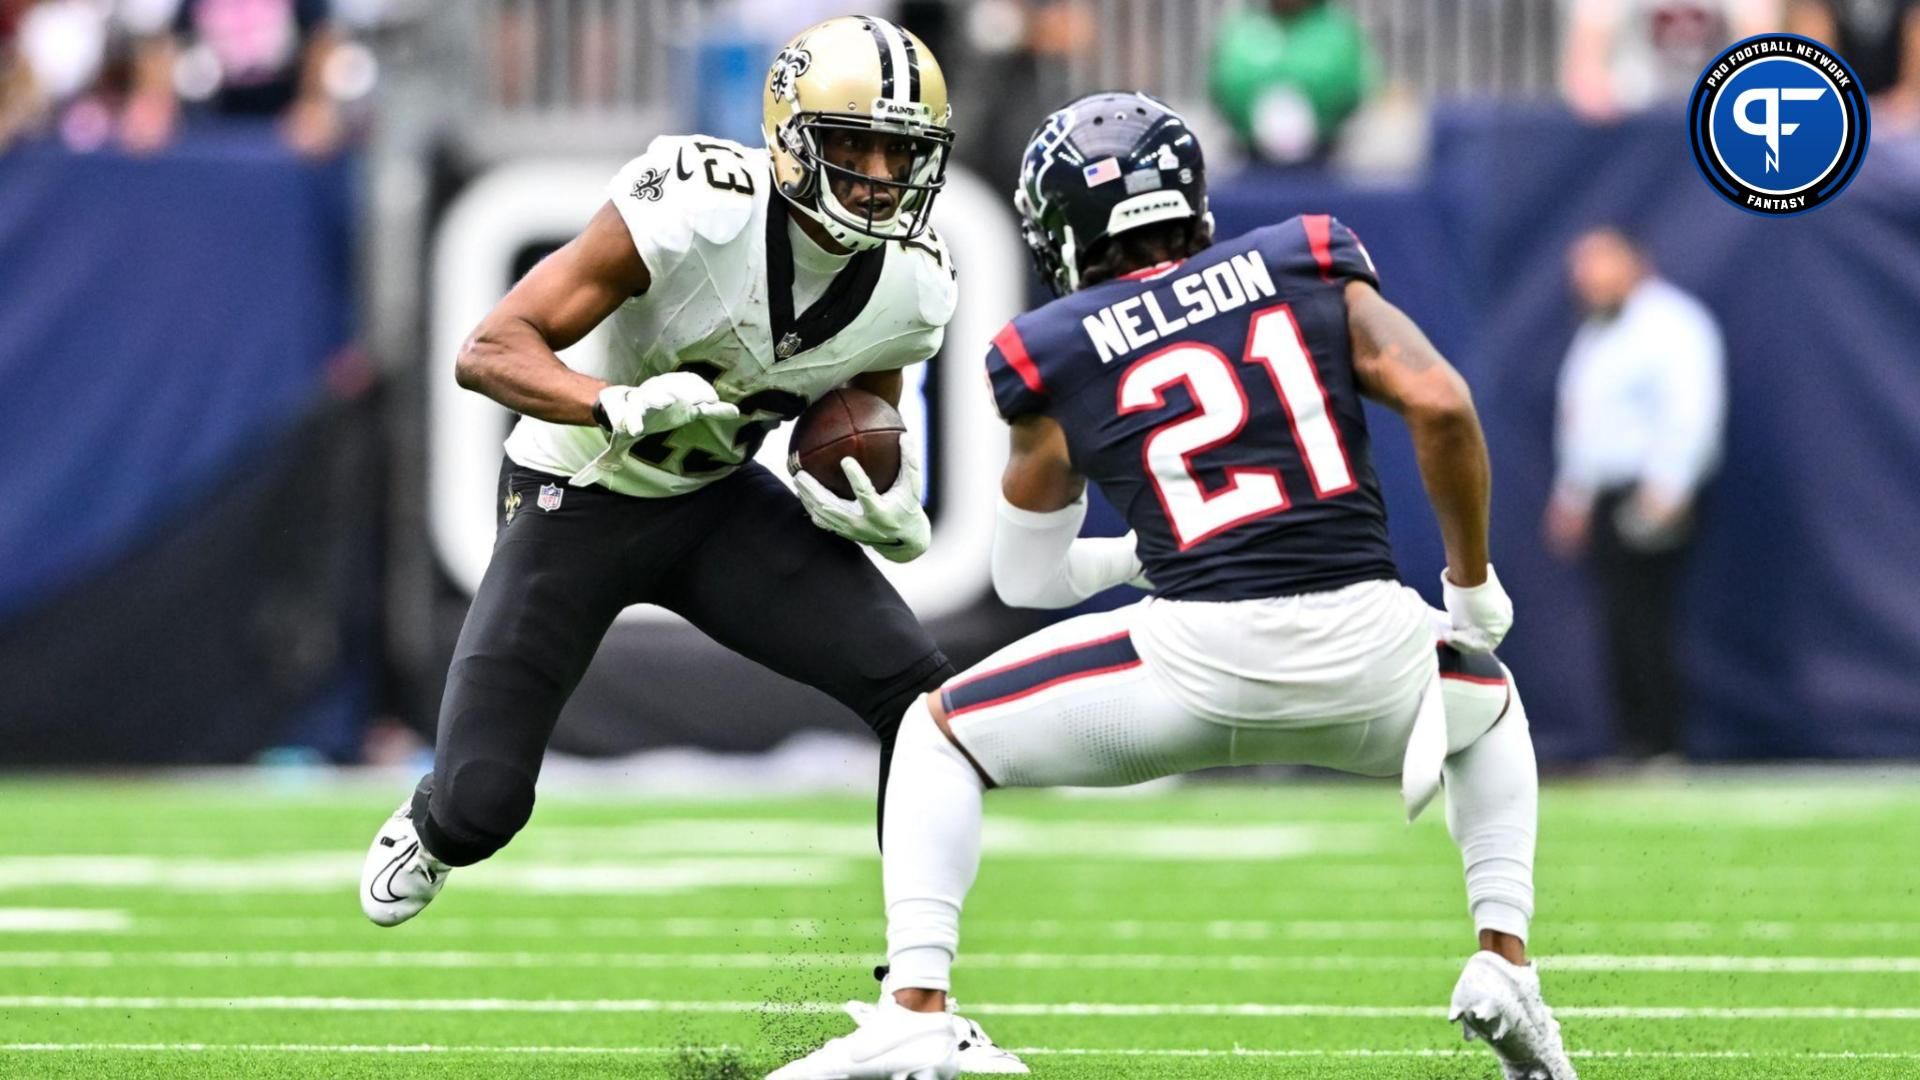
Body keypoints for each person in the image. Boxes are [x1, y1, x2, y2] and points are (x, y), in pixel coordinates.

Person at [771, 92, 1575, 1080]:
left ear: (1062, 228)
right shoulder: (1303, 258)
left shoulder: (1055, 348)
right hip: (1373, 654)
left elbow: (1027, 579)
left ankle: (917, 1008)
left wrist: (1126, 559)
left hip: (1192, 663)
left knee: (937, 735)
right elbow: (1442, 403)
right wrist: (1471, 581)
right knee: (1491, 708)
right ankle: (1504, 959)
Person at [355, 16, 1028, 1073]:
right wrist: (612, 402)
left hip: (719, 498)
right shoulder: (693, 204)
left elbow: (866, 411)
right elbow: (489, 349)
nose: (881, 174)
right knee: (484, 804)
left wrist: (875, 495)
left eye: (904, 151)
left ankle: (914, 992)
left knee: (925, 704)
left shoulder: (913, 278)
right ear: (792, 135)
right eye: (855, 144)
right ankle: (434, 822)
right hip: (578, 490)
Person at [1545, 226, 1725, 762]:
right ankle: (1633, 740)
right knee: (1617, 619)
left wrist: (1669, 485)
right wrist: (1572, 496)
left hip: (1651, 490)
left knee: (1648, 617)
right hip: (1604, 493)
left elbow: (1691, 410)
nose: (1587, 276)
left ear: (1634, 261)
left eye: (1599, 261)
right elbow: (1583, 421)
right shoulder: (1597, 331)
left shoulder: (1673, 324)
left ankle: (1661, 742)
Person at [1207, 0, 1375, 165]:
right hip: (1250, 157)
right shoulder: (1241, 30)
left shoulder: (1338, 31)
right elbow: (1218, 85)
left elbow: (1357, 87)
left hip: (1323, 158)